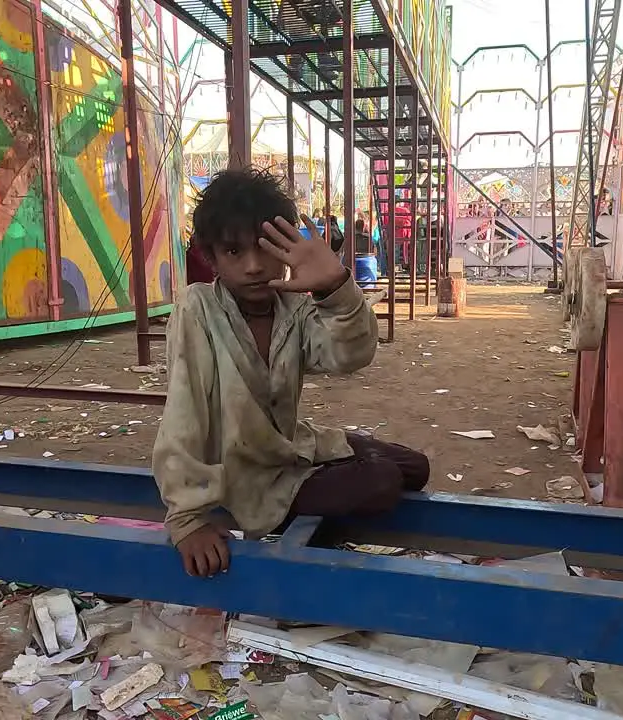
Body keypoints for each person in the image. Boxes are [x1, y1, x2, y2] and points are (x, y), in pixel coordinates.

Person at [153, 167, 430, 577]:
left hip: (290, 445)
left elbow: (349, 356)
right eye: (233, 252)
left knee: (416, 468)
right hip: (244, 475)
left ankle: (321, 493)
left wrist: (335, 286)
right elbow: (183, 411)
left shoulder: (293, 308)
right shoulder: (198, 308)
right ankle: (306, 543)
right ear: (208, 256)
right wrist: (188, 519)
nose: (253, 266)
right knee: (381, 481)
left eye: (266, 249)